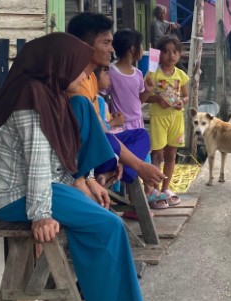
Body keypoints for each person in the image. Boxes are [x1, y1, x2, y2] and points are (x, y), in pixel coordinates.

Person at [0, 33, 183, 301]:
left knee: (103, 218)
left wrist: (81, 181)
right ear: (58, 65)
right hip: (11, 194)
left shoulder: (46, 94)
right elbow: (36, 162)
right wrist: (41, 214)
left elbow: (52, 158)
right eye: (80, 67)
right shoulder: (29, 100)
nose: (86, 73)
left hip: (37, 185)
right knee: (106, 225)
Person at [66, 13, 163, 191]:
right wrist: (137, 165)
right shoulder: (75, 86)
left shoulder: (91, 79)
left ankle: (114, 171)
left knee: (141, 135)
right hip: (87, 155)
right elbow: (97, 134)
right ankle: (115, 169)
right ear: (84, 46)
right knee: (112, 140)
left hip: (105, 141)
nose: (112, 50)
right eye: (106, 43)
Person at [145, 35, 189, 209]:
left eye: (175, 51)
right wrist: (157, 100)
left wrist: (182, 102)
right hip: (159, 119)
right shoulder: (153, 74)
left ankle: (166, 188)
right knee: (157, 155)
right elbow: (145, 96)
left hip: (176, 118)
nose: (171, 55)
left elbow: (186, 96)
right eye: (166, 51)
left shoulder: (181, 75)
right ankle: (155, 191)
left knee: (171, 155)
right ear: (159, 54)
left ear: (179, 54)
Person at [110, 29, 150, 131]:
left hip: (138, 122)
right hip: (120, 124)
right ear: (132, 48)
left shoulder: (138, 74)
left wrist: (147, 91)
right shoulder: (111, 73)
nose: (142, 48)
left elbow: (139, 101)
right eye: (140, 44)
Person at [95, 66, 125, 132]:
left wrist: (112, 117)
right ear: (95, 78)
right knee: (142, 134)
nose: (109, 77)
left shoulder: (98, 99)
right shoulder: (98, 100)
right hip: (111, 137)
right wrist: (114, 122)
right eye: (106, 73)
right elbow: (100, 129)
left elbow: (103, 119)